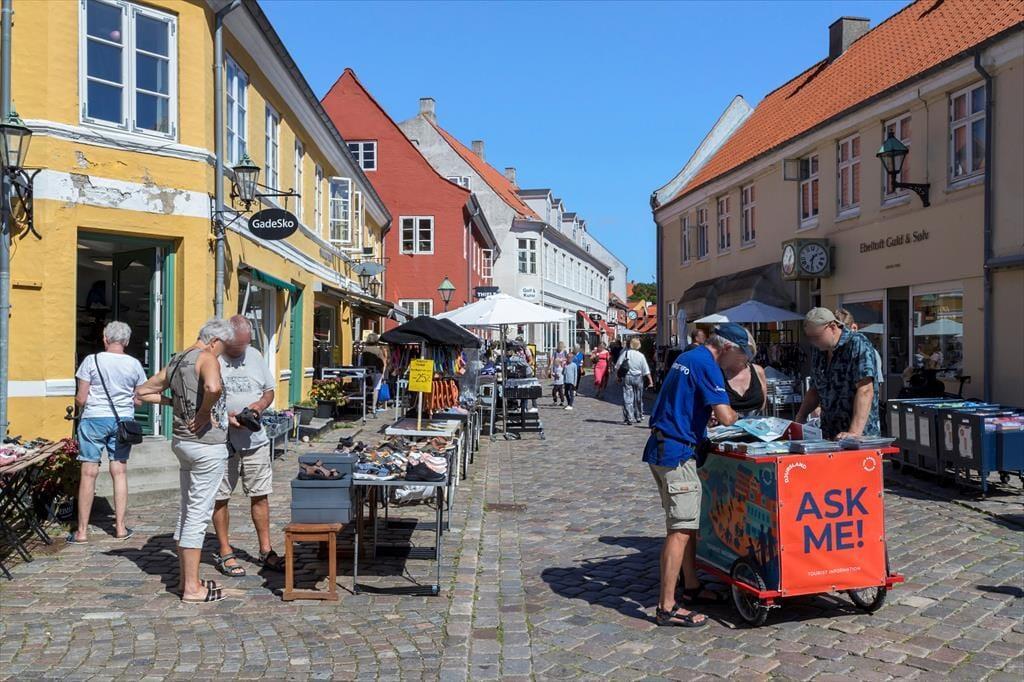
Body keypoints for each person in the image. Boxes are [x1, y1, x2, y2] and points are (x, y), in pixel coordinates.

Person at [643, 324, 744, 627]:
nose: (740, 365)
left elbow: (683, 401)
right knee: (680, 530)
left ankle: (691, 586)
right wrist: (736, 415)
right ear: (727, 348)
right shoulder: (708, 364)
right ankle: (666, 607)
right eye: (741, 357)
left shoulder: (689, 356)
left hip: (663, 446)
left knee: (685, 526)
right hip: (677, 452)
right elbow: (726, 416)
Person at [136, 318, 235, 604]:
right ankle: (192, 588)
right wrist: (203, 413)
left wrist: (173, 403)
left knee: (187, 509)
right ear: (214, 341)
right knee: (198, 513)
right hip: (206, 445)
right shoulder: (206, 358)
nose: (223, 353)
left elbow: (143, 391)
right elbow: (213, 388)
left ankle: (186, 579)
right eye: (223, 347)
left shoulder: (178, 360)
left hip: (183, 442)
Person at [211, 316, 282, 577]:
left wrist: (259, 406)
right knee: (220, 496)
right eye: (236, 347)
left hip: (255, 440)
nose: (241, 351)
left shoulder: (254, 355)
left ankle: (266, 549)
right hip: (222, 440)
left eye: (244, 345)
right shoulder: (213, 358)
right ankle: (225, 550)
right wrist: (225, 418)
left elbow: (269, 391)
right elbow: (202, 399)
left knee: (260, 494)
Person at [68, 321, 147, 544]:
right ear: (126, 341)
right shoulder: (134, 364)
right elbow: (139, 400)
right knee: (119, 471)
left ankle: (82, 531)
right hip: (123, 421)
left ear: (105, 338)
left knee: (88, 472)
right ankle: (120, 527)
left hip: (94, 418)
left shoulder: (91, 361)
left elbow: (81, 398)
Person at [795, 308, 880, 440]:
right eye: (810, 338)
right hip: (829, 433)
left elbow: (865, 390)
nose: (814, 342)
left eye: (817, 337)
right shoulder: (819, 350)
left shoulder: (857, 343)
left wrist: (854, 432)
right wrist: (800, 418)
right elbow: (815, 389)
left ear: (832, 327)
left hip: (859, 435)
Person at [722, 329, 768, 417]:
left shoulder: (758, 371)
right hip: (726, 425)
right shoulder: (717, 373)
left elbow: (762, 405)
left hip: (756, 424)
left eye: (745, 349)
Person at [834, 308, 884, 385]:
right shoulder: (828, 353)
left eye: (844, 334)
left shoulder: (868, 352)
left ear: (854, 328)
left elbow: (873, 386)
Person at [616, 337, 653, 425]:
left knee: (627, 397)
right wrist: (650, 381)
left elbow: (618, 366)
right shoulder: (641, 355)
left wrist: (618, 377)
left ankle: (629, 417)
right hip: (638, 377)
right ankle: (639, 416)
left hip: (627, 377)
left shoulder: (625, 353)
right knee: (638, 397)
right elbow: (646, 370)